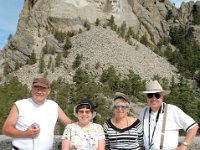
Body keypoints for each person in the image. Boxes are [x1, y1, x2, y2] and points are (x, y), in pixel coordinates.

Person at [2, 77, 72, 150]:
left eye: (43, 89)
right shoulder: (19, 105)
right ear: (32, 89)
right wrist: (25, 134)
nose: (39, 91)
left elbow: (69, 123)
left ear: (48, 91)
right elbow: (6, 129)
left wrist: (83, 123)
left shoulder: (54, 106)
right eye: (37, 88)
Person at [139, 80, 199, 150]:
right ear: (147, 98)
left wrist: (184, 146)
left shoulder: (172, 110)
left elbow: (193, 127)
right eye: (150, 95)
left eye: (157, 95)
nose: (153, 98)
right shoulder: (143, 112)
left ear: (162, 97)